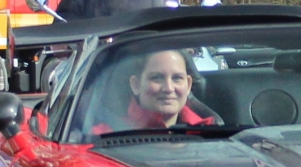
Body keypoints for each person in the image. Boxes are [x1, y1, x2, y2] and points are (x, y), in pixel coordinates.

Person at [91, 48, 220, 134]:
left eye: (177, 78)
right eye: (157, 78)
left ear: (189, 85)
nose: (168, 88)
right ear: (135, 85)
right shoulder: (102, 136)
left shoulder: (212, 133)